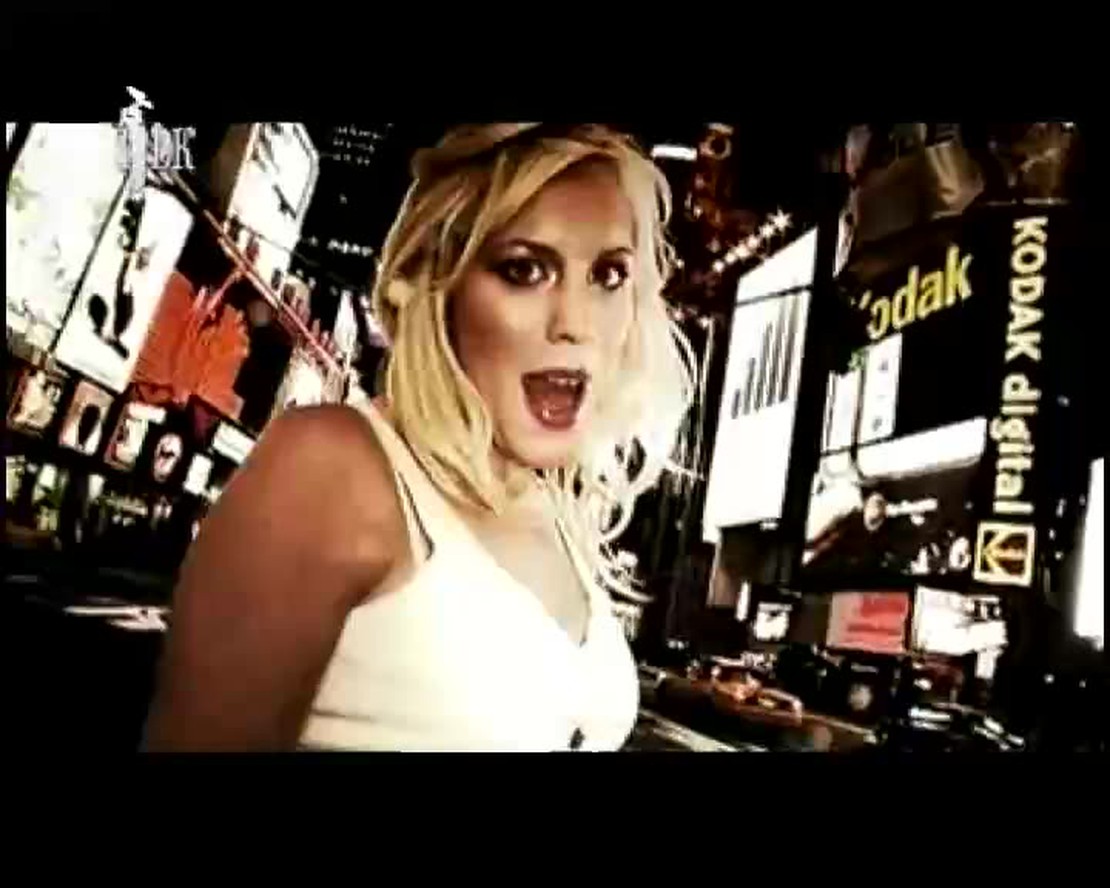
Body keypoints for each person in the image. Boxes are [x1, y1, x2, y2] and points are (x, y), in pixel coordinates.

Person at [143, 124, 694, 751]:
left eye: (609, 275)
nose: (576, 323)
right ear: (442, 287)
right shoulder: (333, 468)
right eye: (524, 269)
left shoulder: (557, 512)